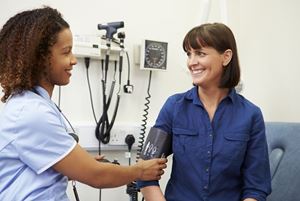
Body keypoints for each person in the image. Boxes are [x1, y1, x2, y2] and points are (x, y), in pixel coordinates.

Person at [0, 6, 167, 201]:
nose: (73, 61)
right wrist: (140, 170)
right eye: (66, 52)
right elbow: (97, 176)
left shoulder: (32, 104)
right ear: (39, 58)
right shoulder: (31, 112)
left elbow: (37, 166)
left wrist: (74, 163)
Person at [138, 23, 272, 201]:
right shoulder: (174, 107)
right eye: (189, 54)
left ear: (226, 57)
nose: (192, 62)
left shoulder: (251, 115)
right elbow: (143, 171)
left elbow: (256, 188)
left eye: (200, 53)